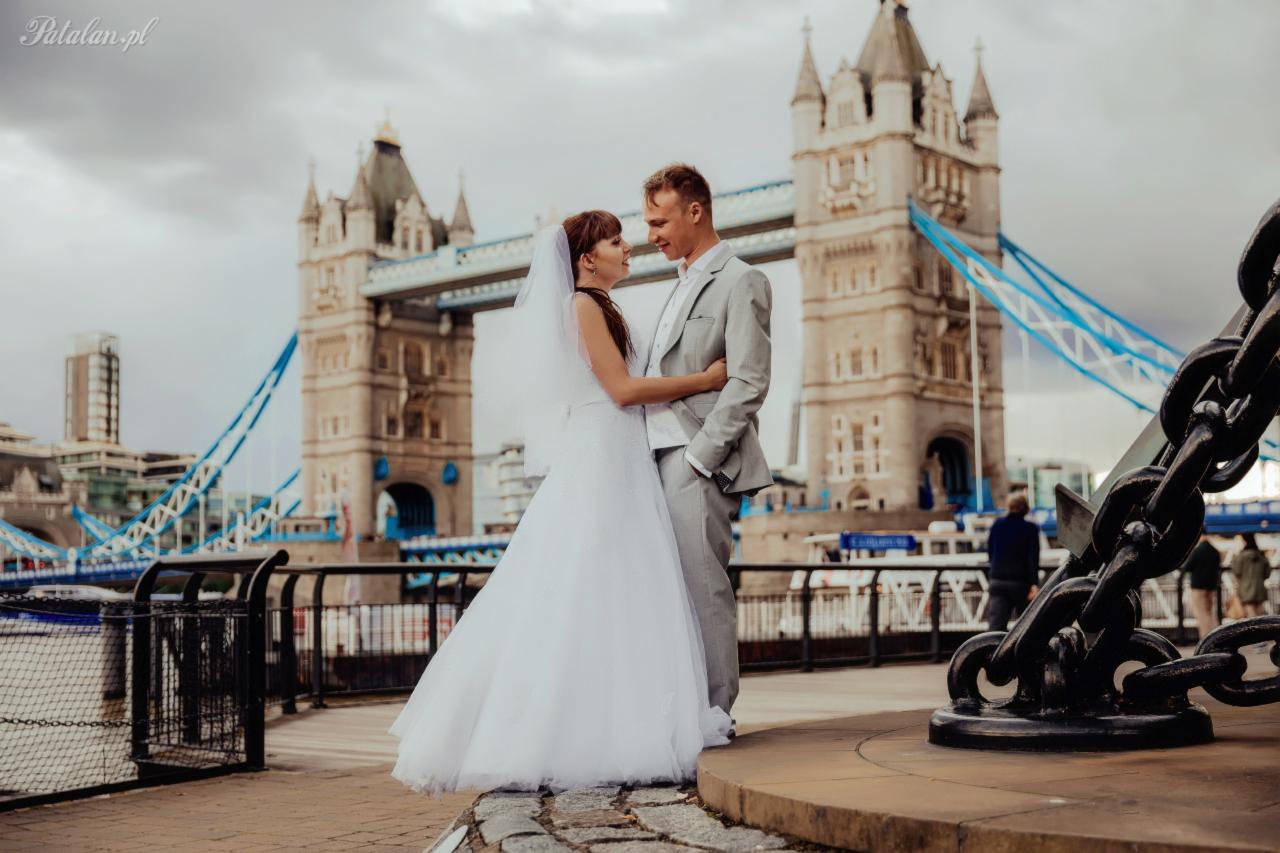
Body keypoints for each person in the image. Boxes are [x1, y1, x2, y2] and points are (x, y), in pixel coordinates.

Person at [388, 212, 734, 798]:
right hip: (602, 462)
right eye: (616, 239)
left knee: (616, 595)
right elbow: (622, 391)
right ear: (585, 259)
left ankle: (616, 724)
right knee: (592, 590)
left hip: (621, 460)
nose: (629, 246)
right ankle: (581, 735)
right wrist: (705, 380)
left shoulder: (605, 306)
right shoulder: (583, 307)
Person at [641, 163, 773, 726]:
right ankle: (681, 708)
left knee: (703, 590)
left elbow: (749, 379)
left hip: (694, 460)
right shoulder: (677, 285)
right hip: (653, 460)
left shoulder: (742, 279)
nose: (651, 235)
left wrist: (700, 458)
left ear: (695, 211)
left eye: (659, 220)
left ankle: (716, 713)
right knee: (669, 595)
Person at [985, 493, 1040, 631]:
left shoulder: (997, 525)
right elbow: (1032, 558)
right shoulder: (1030, 528)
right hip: (1020, 583)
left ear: (1009, 507)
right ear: (1025, 508)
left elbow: (991, 552)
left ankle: (993, 651)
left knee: (996, 627)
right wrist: (1034, 583)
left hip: (997, 581)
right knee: (1026, 626)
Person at [1179, 530, 1220, 639]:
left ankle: (1206, 638)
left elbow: (1187, 567)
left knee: (1201, 614)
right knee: (1210, 612)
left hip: (1198, 587)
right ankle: (1217, 636)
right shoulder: (1214, 551)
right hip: (1211, 586)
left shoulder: (1198, 550)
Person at [1230, 532, 1270, 619]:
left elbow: (1236, 571)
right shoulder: (1261, 557)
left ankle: (1254, 632)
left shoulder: (1241, 557)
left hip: (1245, 589)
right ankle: (1261, 631)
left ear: (1244, 541)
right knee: (1260, 615)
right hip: (1260, 588)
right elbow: (1267, 574)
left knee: (1250, 616)